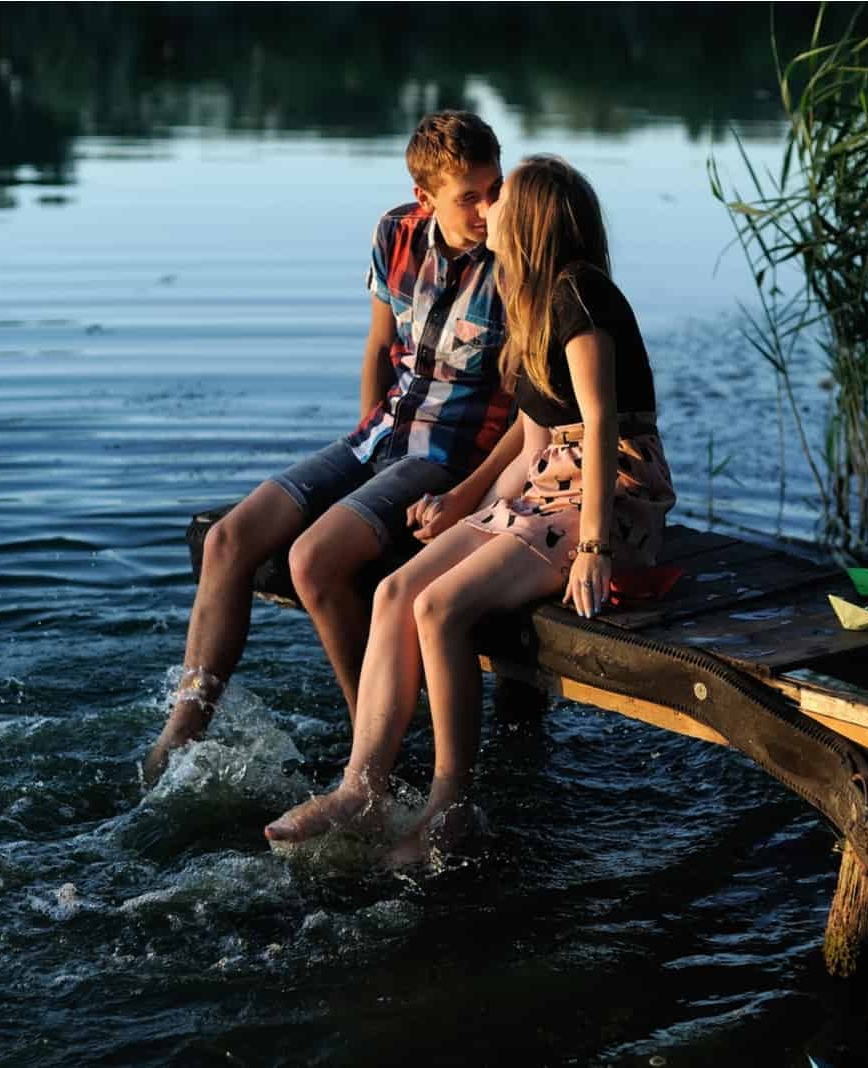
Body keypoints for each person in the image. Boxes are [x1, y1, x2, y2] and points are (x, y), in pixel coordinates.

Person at [264, 155, 676, 866]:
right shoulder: (531, 301)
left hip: (613, 494)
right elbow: (532, 447)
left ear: (535, 220)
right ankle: (363, 786)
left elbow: (603, 423)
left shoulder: (582, 295)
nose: (489, 213)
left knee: (439, 609)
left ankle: (448, 808)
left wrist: (595, 549)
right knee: (399, 590)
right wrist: (469, 516)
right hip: (550, 488)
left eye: (503, 203)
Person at [143, 111, 522, 784]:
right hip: (377, 435)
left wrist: (468, 498)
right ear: (425, 195)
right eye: (471, 196)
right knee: (227, 541)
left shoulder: (517, 259)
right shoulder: (394, 232)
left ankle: (373, 749)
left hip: (448, 456)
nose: (489, 208)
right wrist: (360, 478)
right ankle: (182, 732)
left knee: (314, 560)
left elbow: (533, 408)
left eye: (494, 188)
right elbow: (380, 348)